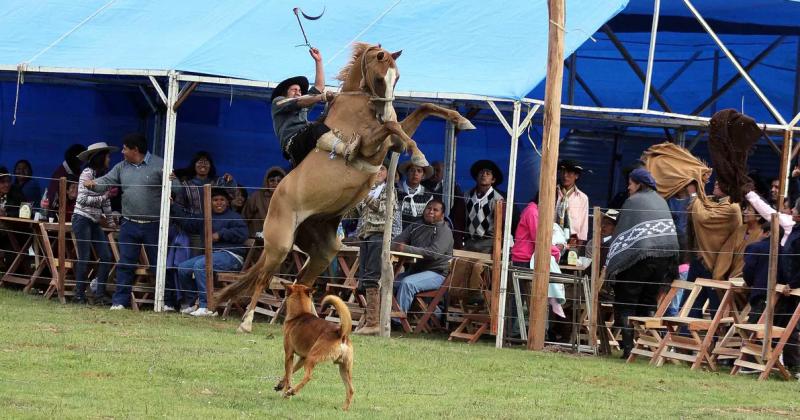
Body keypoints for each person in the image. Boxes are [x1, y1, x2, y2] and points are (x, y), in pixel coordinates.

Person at [84, 133, 167, 311]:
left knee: (158, 264)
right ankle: (120, 302)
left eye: (124, 148)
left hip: (154, 224)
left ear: (135, 149)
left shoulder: (160, 164)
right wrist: (92, 184)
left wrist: (173, 182)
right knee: (125, 263)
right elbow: (106, 181)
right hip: (129, 222)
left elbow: (175, 188)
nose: (122, 152)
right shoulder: (121, 167)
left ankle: (165, 301)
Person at [606, 168, 679, 358]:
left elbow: (621, 233)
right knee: (647, 301)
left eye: (630, 183)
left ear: (639, 184)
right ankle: (645, 346)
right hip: (664, 260)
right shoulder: (662, 201)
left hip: (639, 258)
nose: (628, 187)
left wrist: (612, 262)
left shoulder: (633, 201)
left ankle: (629, 348)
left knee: (626, 300)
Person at [271, 47, 355, 168]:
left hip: (306, 139)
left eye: (300, 90)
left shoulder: (302, 104)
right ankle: (345, 149)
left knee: (327, 118)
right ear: (285, 92)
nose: (298, 92)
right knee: (316, 128)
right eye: (294, 90)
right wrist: (322, 97)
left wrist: (319, 61)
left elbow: (319, 87)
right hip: (294, 145)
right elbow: (300, 101)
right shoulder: (278, 102)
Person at [174, 188, 248, 316]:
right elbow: (187, 223)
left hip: (231, 256)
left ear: (227, 202)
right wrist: (173, 206)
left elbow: (243, 234)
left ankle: (206, 306)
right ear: (210, 202)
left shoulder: (234, 217)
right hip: (212, 255)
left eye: (222, 200)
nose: (219, 203)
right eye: (215, 200)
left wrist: (221, 234)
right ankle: (192, 304)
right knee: (183, 268)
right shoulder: (205, 216)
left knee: (201, 265)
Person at [352, 163, 402, 335]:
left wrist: (363, 194)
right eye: (376, 168)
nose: (379, 172)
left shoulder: (389, 190)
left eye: (382, 169)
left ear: (388, 173)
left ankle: (373, 322)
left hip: (380, 237)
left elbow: (382, 209)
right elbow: (356, 213)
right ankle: (370, 319)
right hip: (365, 236)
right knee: (364, 278)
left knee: (372, 277)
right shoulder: (370, 190)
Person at [743, 222, 799, 375]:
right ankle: (793, 366)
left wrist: (750, 283)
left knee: (755, 327)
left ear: (767, 233)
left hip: (762, 294)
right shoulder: (785, 251)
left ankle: (750, 363)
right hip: (783, 296)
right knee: (787, 331)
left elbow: (748, 270)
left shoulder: (755, 248)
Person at [72, 142, 118, 305]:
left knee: (106, 256)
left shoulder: (104, 176)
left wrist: (111, 221)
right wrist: (104, 197)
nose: (109, 159)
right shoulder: (87, 173)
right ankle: (79, 294)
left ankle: (99, 295)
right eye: (107, 156)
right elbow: (82, 199)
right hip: (82, 218)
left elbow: (105, 203)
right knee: (84, 257)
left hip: (94, 221)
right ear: (100, 157)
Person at [392, 199, 454, 316]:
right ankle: (383, 317)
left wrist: (406, 248)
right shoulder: (415, 226)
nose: (431, 212)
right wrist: (396, 245)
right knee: (389, 282)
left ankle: (398, 320)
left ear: (442, 215)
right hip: (415, 271)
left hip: (437, 273)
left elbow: (434, 253)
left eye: (435, 210)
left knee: (407, 283)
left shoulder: (445, 231)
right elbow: (396, 242)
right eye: (428, 208)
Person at [173, 151, 237, 255]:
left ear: (211, 166)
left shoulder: (218, 182)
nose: (203, 165)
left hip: (217, 229)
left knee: (214, 259)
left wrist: (231, 182)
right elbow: (179, 207)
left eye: (206, 162)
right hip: (195, 232)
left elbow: (232, 195)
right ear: (194, 165)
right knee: (195, 259)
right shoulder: (186, 185)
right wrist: (188, 223)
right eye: (199, 162)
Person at [463, 160, 504, 253]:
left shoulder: (498, 199)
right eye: (481, 172)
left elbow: (502, 226)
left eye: (488, 173)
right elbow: (459, 218)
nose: (484, 175)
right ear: (476, 177)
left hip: (487, 244)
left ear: (493, 180)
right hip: (469, 242)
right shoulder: (466, 195)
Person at [242, 166, 285, 237]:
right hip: (256, 240)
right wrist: (246, 238)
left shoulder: (287, 199)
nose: (275, 183)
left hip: (278, 240)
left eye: (279, 181)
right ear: (266, 182)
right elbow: (243, 219)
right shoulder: (256, 196)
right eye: (272, 180)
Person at [555, 159, 589, 248]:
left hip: (572, 241)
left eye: (569, 172)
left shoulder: (582, 198)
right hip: (553, 238)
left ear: (576, 176)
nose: (565, 175)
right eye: (562, 172)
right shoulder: (552, 193)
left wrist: (578, 246)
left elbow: (583, 225)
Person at [397, 161, 433, 230]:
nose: (415, 174)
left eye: (419, 171)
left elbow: (427, 219)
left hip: (417, 234)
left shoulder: (428, 195)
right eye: (412, 170)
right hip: (396, 233)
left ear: (423, 176)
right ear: (407, 173)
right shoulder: (395, 190)